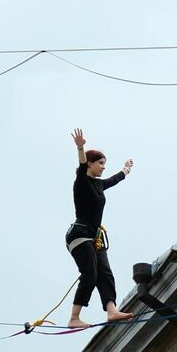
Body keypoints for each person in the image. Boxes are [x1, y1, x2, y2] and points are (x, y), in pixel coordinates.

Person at [67, 128, 134, 328]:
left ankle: (111, 311)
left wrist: (126, 170)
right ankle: (74, 318)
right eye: (101, 163)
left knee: (105, 273)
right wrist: (81, 147)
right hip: (79, 235)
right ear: (90, 164)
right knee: (90, 274)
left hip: (94, 237)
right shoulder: (81, 182)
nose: (104, 167)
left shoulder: (98, 185)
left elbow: (114, 180)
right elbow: (80, 165)